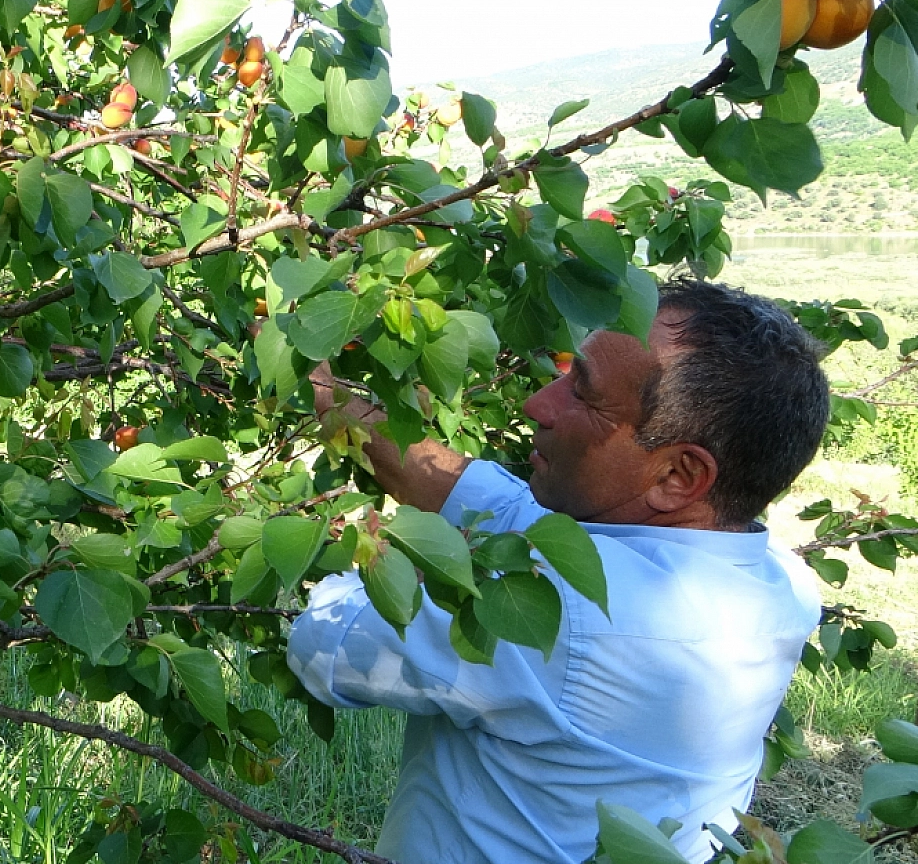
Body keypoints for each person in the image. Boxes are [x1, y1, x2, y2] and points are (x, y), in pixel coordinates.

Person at [286, 279, 828, 864]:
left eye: (584, 393)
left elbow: (324, 645)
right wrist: (327, 392)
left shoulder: (570, 610)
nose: (537, 403)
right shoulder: (781, 583)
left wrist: (398, 556)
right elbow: (489, 497)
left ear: (676, 476)